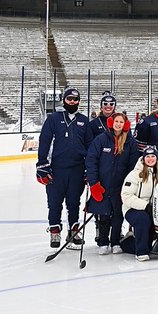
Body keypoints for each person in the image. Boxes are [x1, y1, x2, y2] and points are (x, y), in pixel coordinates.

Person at [36, 87, 91, 249]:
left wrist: (88, 168)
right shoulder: (53, 118)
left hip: (77, 169)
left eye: (75, 99)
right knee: (54, 203)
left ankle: (73, 231)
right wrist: (42, 165)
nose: (72, 102)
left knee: (74, 202)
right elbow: (45, 141)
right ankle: (55, 231)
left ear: (79, 101)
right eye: (69, 99)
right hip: (56, 170)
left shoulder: (84, 120)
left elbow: (89, 145)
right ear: (64, 100)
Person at [85, 111, 138, 254]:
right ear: (111, 123)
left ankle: (115, 242)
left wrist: (129, 185)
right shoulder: (101, 139)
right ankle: (103, 242)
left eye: (121, 122)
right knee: (103, 213)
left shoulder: (130, 142)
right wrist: (94, 183)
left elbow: (133, 165)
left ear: (125, 124)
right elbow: (91, 161)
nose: (118, 124)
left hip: (120, 186)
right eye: (116, 121)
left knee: (118, 214)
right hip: (102, 184)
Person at [119, 147, 158, 262]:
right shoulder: (134, 174)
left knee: (154, 223)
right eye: (147, 156)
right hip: (132, 209)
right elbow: (126, 196)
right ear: (143, 158)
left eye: (153, 156)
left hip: (151, 209)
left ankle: (136, 244)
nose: (150, 159)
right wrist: (145, 206)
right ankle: (140, 252)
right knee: (143, 219)